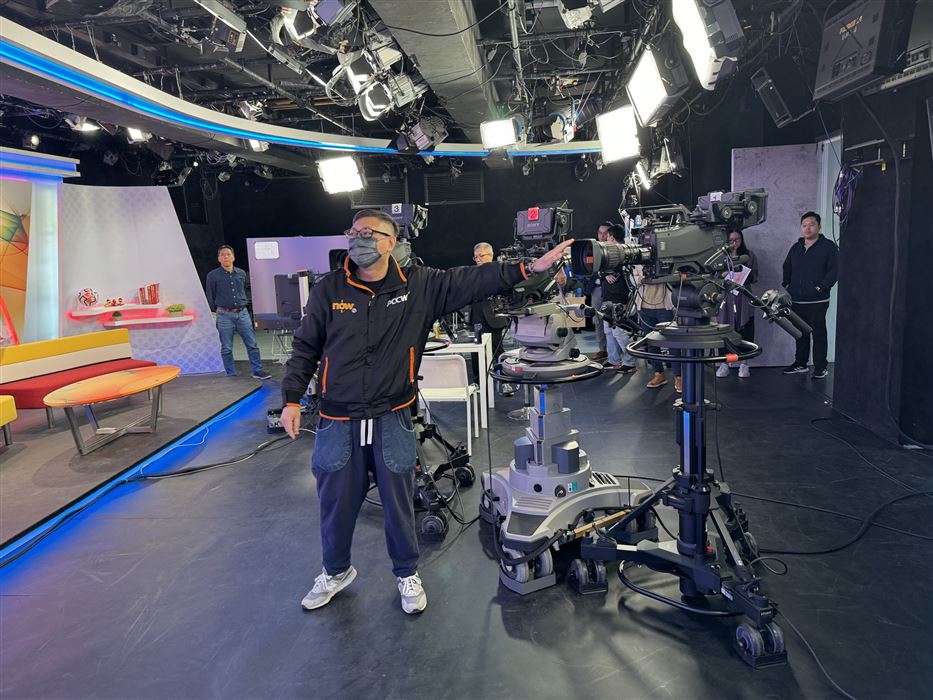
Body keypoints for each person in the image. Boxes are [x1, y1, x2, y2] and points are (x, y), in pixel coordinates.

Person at [279, 210, 572, 615]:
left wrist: (528, 268)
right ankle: (335, 571)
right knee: (335, 503)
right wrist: (292, 398)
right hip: (337, 419)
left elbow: (474, 279)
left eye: (369, 233)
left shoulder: (420, 285)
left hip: (392, 415)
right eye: (354, 231)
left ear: (390, 242)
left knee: (399, 502)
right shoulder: (329, 288)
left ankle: (406, 573)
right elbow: (305, 346)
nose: (358, 238)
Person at [781, 212, 838, 379]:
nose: (807, 228)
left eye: (811, 225)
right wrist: (787, 285)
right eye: (804, 225)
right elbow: (787, 267)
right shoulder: (796, 247)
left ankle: (820, 367)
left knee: (818, 333)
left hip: (817, 300)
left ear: (819, 227)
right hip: (797, 300)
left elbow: (835, 270)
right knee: (800, 333)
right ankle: (801, 363)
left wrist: (821, 287)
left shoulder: (828, 247)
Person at [205, 245, 270, 380]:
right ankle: (231, 373)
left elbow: (243, 290)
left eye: (228, 254)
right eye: (222, 255)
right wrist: (217, 311)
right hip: (224, 314)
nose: (226, 257)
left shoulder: (241, 273)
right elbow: (210, 295)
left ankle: (257, 370)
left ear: (233, 257)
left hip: (242, 313)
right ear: (219, 258)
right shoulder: (212, 276)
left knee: (252, 344)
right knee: (226, 347)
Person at [632, 262, 683, 393]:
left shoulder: (665, 258)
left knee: (672, 343)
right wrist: (642, 278)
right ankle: (658, 374)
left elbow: (675, 277)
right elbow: (633, 279)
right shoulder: (637, 260)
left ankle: (678, 376)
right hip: (644, 307)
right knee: (651, 343)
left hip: (664, 307)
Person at [469, 242, 512, 394]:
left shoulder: (499, 271)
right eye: (476, 257)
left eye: (481, 256)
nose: (478, 259)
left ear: (491, 255)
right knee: (476, 352)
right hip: (476, 317)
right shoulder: (471, 273)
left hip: (493, 316)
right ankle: (478, 383)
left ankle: (505, 381)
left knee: (497, 351)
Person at [716, 229, 759, 379]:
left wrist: (744, 273)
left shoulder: (749, 255)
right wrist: (724, 275)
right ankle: (725, 363)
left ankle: (744, 364)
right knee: (725, 331)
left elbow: (755, 276)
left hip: (743, 297)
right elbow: (714, 277)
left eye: (737, 239)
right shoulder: (721, 256)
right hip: (726, 298)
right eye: (731, 240)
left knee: (745, 329)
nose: (734, 243)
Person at [601, 224, 637, 374]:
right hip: (608, 296)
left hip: (619, 297)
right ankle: (613, 360)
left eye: (607, 236)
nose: (605, 238)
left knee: (619, 332)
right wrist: (605, 274)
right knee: (609, 331)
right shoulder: (608, 253)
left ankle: (630, 362)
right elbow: (600, 269)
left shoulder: (624, 252)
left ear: (612, 236)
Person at [582, 221, 612, 361]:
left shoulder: (616, 249)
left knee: (613, 321)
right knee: (598, 320)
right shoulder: (591, 249)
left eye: (605, 233)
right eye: (600, 233)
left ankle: (615, 353)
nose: (602, 236)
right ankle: (602, 349)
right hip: (596, 289)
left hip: (611, 290)